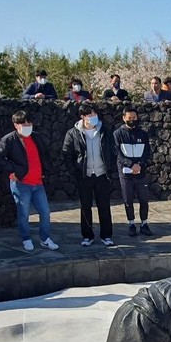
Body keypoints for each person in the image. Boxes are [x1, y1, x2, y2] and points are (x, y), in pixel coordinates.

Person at [0, 111, 59, 252]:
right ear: (16, 125)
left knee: (45, 212)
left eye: (29, 123)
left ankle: (45, 238)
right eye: (24, 124)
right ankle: (26, 238)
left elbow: (44, 155)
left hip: (38, 183)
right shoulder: (9, 140)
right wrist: (11, 171)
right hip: (21, 183)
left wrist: (46, 171)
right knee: (24, 213)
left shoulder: (37, 137)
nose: (28, 126)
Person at [63, 104, 115, 246]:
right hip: (84, 176)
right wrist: (75, 172)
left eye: (94, 114)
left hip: (102, 174)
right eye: (89, 115)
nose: (93, 117)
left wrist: (110, 168)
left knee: (104, 206)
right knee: (85, 207)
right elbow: (67, 154)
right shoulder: (73, 133)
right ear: (82, 116)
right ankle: (87, 236)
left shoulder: (105, 131)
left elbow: (112, 150)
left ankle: (106, 235)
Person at [113, 106, 152, 236]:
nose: (132, 120)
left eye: (134, 118)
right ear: (124, 118)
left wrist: (139, 165)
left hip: (141, 173)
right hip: (126, 174)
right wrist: (130, 165)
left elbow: (147, 152)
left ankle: (144, 223)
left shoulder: (143, 134)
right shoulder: (118, 134)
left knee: (144, 200)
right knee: (128, 200)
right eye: (129, 118)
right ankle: (131, 224)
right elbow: (117, 154)